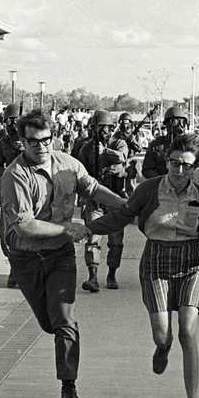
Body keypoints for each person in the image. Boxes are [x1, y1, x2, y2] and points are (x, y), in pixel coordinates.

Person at [88, 134, 199, 398]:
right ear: (167, 162)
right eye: (175, 164)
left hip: (190, 261)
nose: (179, 171)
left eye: (187, 166)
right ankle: (162, 348)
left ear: (194, 169)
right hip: (155, 259)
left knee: (187, 332)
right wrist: (89, 228)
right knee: (163, 334)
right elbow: (122, 216)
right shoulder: (148, 190)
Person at [0, 109, 126, 398]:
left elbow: (92, 188)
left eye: (45, 140)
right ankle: (58, 332)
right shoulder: (14, 175)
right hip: (26, 256)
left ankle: (68, 387)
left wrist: (127, 206)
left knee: (65, 320)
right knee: (48, 322)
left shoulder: (69, 164)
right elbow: (25, 225)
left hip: (60, 255)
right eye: (32, 141)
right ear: (21, 143)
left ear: (53, 138)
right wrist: (69, 229)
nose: (40, 147)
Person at [76, 110, 128, 291]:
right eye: (96, 128)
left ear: (111, 128)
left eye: (104, 129)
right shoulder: (86, 148)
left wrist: (104, 151)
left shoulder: (119, 143)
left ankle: (112, 274)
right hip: (94, 200)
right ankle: (92, 277)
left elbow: (122, 156)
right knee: (92, 238)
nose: (100, 132)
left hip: (115, 199)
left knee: (116, 241)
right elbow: (80, 172)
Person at [0, 103, 25, 288]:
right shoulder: (2, 143)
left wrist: (26, 150)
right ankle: (14, 264)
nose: (13, 124)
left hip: (30, 193)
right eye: (9, 121)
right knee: (4, 233)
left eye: (16, 120)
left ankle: (20, 270)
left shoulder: (32, 139)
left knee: (26, 232)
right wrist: (6, 173)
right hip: (9, 192)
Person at [142, 106, 189, 179]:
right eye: (176, 122)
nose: (180, 126)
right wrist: (163, 180)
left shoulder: (188, 145)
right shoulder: (156, 145)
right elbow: (147, 170)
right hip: (160, 185)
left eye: (182, 122)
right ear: (168, 124)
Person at [112, 112, 142, 195]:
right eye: (121, 122)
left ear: (130, 123)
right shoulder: (117, 135)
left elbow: (139, 149)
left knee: (131, 186)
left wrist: (132, 141)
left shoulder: (134, 135)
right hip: (120, 161)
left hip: (130, 161)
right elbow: (111, 145)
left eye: (125, 122)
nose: (123, 124)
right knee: (118, 186)